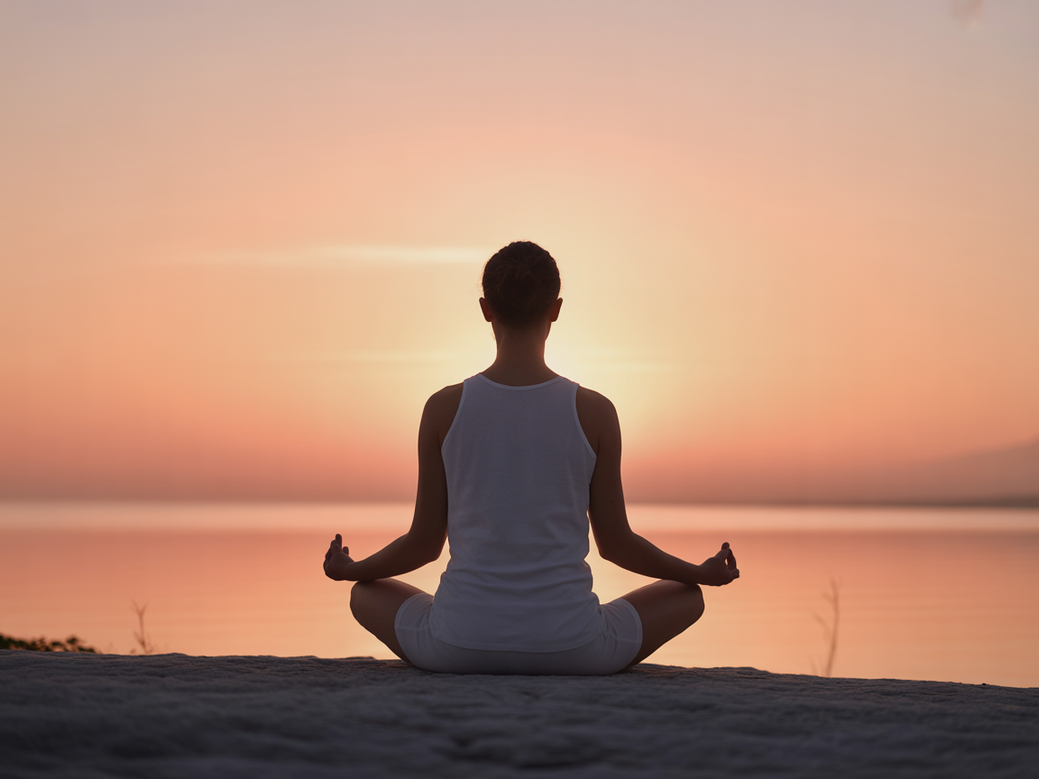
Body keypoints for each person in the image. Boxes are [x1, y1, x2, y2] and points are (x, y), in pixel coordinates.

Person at [323, 241, 739, 674]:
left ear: (486, 308)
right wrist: (698, 572)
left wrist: (352, 569)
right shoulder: (595, 411)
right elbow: (616, 545)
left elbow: (424, 544)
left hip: (455, 645)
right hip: (575, 649)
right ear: (555, 309)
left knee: (364, 592)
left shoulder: (443, 408)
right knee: (688, 596)